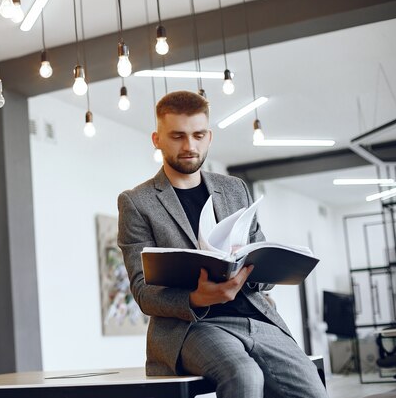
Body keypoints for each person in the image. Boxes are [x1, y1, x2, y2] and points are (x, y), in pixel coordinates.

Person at [117, 91, 327, 398]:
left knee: (314, 391)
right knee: (244, 375)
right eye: (177, 136)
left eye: (198, 135)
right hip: (191, 327)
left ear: (209, 137)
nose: (189, 146)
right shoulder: (137, 202)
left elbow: (258, 251)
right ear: (157, 139)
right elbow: (143, 291)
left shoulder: (234, 188)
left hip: (255, 316)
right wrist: (197, 298)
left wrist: (262, 266)